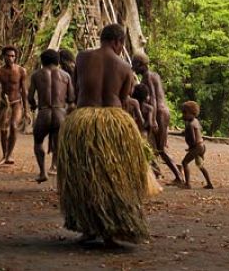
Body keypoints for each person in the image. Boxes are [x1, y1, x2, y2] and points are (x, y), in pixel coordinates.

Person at [56, 24, 155, 246]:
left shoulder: (82, 58)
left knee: (84, 175)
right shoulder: (125, 67)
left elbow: (77, 89)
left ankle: (88, 227)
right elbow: (123, 98)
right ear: (118, 42)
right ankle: (111, 229)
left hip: (83, 121)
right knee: (114, 177)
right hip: (114, 123)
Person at [132, 52, 184, 185]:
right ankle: (158, 171)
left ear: (141, 65)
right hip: (163, 111)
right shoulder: (154, 75)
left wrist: (154, 118)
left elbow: (154, 98)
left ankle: (179, 177)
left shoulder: (147, 77)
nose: (133, 68)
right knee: (155, 145)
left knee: (161, 148)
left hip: (159, 112)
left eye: (134, 65)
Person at [28, 49, 74, 183]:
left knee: (38, 142)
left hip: (44, 112)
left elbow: (30, 96)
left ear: (42, 61)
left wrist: (33, 105)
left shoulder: (36, 75)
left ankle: (43, 172)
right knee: (59, 144)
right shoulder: (66, 76)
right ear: (57, 61)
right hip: (60, 113)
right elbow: (71, 97)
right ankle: (57, 169)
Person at [0, 46, 27, 165]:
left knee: (14, 126)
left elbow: (24, 91)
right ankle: (4, 155)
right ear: (3, 56)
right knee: (3, 130)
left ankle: (9, 155)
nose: (10, 58)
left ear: (15, 57)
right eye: (8, 56)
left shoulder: (21, 71)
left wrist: (26, 110)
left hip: (16, 103)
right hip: (4, 104)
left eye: (12, 56)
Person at [180, 101, 213, 189]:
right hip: (201, 146)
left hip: (196, 147)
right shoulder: (195, 121)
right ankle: (209, 183)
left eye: (185, 113)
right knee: (200, 165)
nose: (183, 115)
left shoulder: (190, 125)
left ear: (192, 113)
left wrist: (190, 148)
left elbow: (193, 139)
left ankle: (187, 184)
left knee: (184, 162)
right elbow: (197, 131)